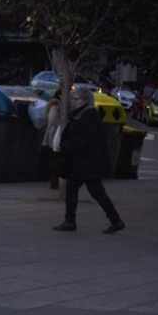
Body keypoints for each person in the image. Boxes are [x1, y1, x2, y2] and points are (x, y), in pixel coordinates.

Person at [54, 86, 125, 233]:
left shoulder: (88, 116)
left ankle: (71, 221)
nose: (73, 102)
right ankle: (114, 220)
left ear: (84, 100)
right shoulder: (83, 114)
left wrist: (67, 146)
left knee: (89, 192)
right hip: (84, 163)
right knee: (92, 192)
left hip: (84, 163)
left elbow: (82, 140)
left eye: (75, 99)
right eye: (73, 99)